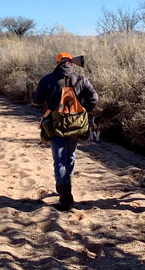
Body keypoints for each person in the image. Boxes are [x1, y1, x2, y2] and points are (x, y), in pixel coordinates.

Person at [32, 52, 98, 211]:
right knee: (70, 155)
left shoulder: (48, 79)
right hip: (76, 126)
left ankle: (66, 196)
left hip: (55, 126)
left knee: (59, 159)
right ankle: (67, 185)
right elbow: (94, 99)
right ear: (72, 64)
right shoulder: (81, 79)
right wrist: (83, 111)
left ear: (57, 63)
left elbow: (36, 100)